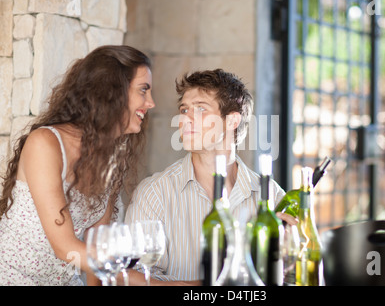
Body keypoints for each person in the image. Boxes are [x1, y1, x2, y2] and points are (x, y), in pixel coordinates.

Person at [0, 45, 155, 286]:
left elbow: (97, 244)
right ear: (112, 91)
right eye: (143, 90)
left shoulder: (112, 155)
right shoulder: (45, 143)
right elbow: (66, 248)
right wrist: (151, 280)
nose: (151, 103)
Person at [125, 69, 293, 285]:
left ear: (232, 121)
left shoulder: (271, 195)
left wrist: (290, 255)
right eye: (184, 110)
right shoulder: (154, 193)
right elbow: (128, 277)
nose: (184, 120)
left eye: (200, 109)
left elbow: (289, 276)